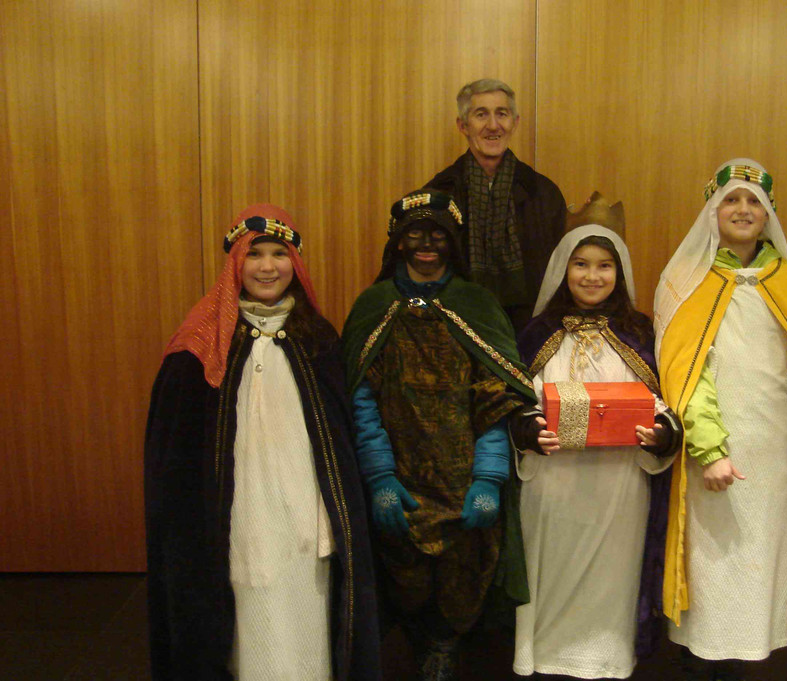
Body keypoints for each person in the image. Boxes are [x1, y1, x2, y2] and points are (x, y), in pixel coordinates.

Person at [144, 205, 380, 681]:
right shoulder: (201, 344)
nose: (267, 267)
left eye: (278, 254)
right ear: (236, 263)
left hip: (306, 509)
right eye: (254, 255)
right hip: (238, 512)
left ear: (295, 263)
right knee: (246, 597)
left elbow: (341, 437)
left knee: (307, 597)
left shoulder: (317, 339)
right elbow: (173, 454)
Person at [653, 159, 787, 679]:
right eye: (732, 199)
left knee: (759, 560)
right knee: (712, 565)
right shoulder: (686, 280)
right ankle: (701, 663)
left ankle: (740, 665)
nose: (743, 210)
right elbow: (686, 377)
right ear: (712, 210)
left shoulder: (786, 280)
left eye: (755, 202)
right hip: (713, 449)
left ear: (769, 215)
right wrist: (711, 451)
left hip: (771, 450)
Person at [339, 189, 536, 681]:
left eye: (438, 236)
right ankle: (416, 642)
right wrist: (379, 476)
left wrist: (489, 477)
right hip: (398, 472)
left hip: (464, 475)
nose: (426, 246)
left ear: (454, 243)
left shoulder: (477, 305)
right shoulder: (374, 306)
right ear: (397, 242)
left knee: (463, 573)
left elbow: (496, 397)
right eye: (415, 235)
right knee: (402, 572)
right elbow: (360, 398)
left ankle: (445, 645)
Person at [511, 224, 682, 678]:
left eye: (604, 266)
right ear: (563, 270)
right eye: (581, 264)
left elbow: (663, 401)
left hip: (618, 485)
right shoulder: (537, 333)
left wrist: (662, 433)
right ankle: (546, 659)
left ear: (619, 273)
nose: (592, 276)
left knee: (612, 576)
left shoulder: (639, 333)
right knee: (552, 572)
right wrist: (529, 430)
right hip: (555, 482)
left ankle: (607, 659)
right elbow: (514, 400)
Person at [425, 78, 567, 332]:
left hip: (530, 331)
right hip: (456, 331)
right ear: (463, 125)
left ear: (515, 122)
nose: (493, 125)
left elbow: (559, 276)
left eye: (502, 114)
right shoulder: (439, 195)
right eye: (481, 114)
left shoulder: (544, 194)